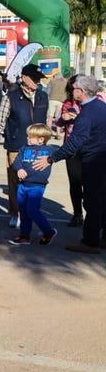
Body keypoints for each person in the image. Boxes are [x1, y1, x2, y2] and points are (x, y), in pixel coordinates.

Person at [34, 75, 106, 255]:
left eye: (74, 88)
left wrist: (51, 158)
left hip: (93, 161)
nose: (71, 91)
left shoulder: (86, 114)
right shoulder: (101, 107)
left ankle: (90, 242)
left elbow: (74, 144)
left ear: (81, 92)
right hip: (102, 159)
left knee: (92, 202)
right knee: (102, 200)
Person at [0, 65, 49, 228]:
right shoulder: (11, 97)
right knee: (16, 181)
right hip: (17, 145)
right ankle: (16, 212)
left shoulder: (43, 96)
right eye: (34, 78)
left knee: (35, 180)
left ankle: (31, 211)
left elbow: (45, 119)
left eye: (39, 78)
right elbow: (0, 121)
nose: (37, 81)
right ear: (24, 78)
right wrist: (11, 135)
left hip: (39, 147)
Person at [9, 124, 58, 246]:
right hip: (23, 185)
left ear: (41, 139)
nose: (27, 139)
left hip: (37, 186)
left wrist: (51, 158)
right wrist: (19, 169)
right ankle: (24, 236)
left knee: (32, 210)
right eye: (28, 136)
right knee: (23, 211)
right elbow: (17, 162)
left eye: (31, 137)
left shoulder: (50, 150)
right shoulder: (24, 149)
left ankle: (48, 231)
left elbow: (63, 153)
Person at [55, 76, 83, 226]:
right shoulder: (67, 103)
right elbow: (58, 121)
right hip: (71, 148)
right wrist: (63, 118)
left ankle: (94, 215)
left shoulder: (93, 103)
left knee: (91, 183)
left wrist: (78, 117)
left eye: (77, 88)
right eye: (72, 88)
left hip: (89, 148)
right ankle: (77, 214)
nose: (74, 92)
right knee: (75, 183)